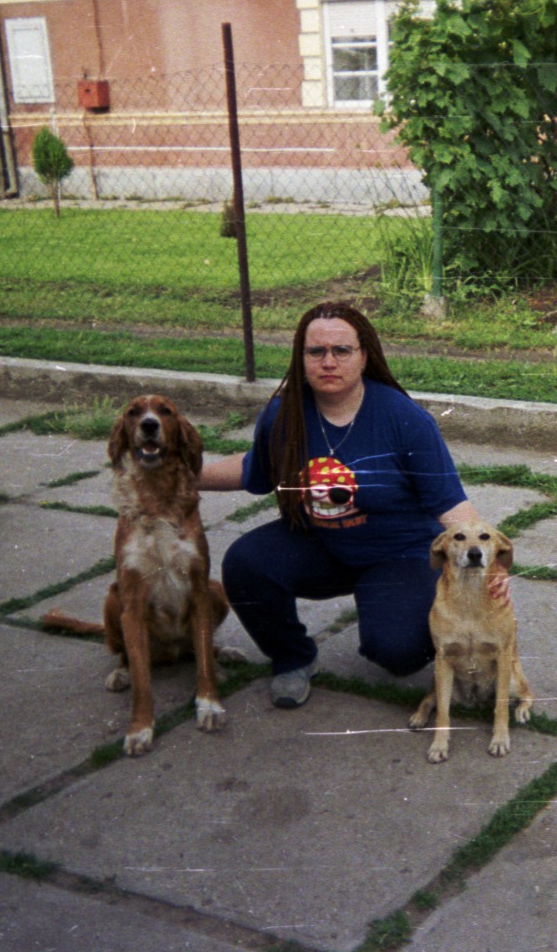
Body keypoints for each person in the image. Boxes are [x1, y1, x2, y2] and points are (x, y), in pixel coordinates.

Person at [200, 301, 498, 709]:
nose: (328, 362)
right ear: (300, 357)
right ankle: (293, 659)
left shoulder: (404, 418)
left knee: (397, 651)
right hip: (322, 546)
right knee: (246, 563)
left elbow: (450, 502)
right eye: (315, 351)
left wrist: (486, 565)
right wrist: (184, 476)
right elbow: (255, 470)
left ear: (364, 356)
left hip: (398, 553)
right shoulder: (284, 413)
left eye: (341, 351)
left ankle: (403, 609)